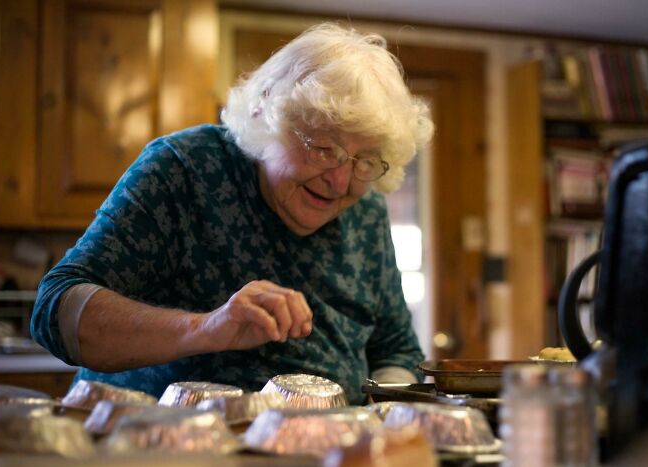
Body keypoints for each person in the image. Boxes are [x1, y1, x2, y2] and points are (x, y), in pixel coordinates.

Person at [31, 23, 433, 404]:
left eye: (365, 161)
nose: (341, 180)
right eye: (324, 148)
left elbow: (395, 349)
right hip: (155, 446)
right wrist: (204, 328)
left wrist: (383, 413)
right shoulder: (184, 169)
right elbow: (55, 311)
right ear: (266, 118)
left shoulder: (367, 210)